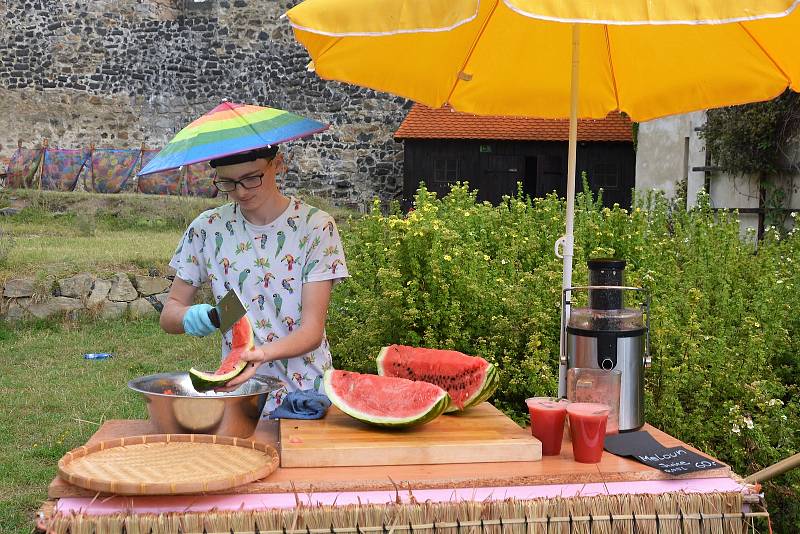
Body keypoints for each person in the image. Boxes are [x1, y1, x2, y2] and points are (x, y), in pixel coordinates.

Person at [159, 145, 349, 414]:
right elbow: (169, 314)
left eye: (251, 178)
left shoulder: (316, 226)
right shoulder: (206, 229)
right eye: (228, 182)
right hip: (242, 395)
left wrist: (261, 354)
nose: (241, 191)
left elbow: (311, 332)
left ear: (278, 164)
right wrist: (191, 317)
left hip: (308, 394)